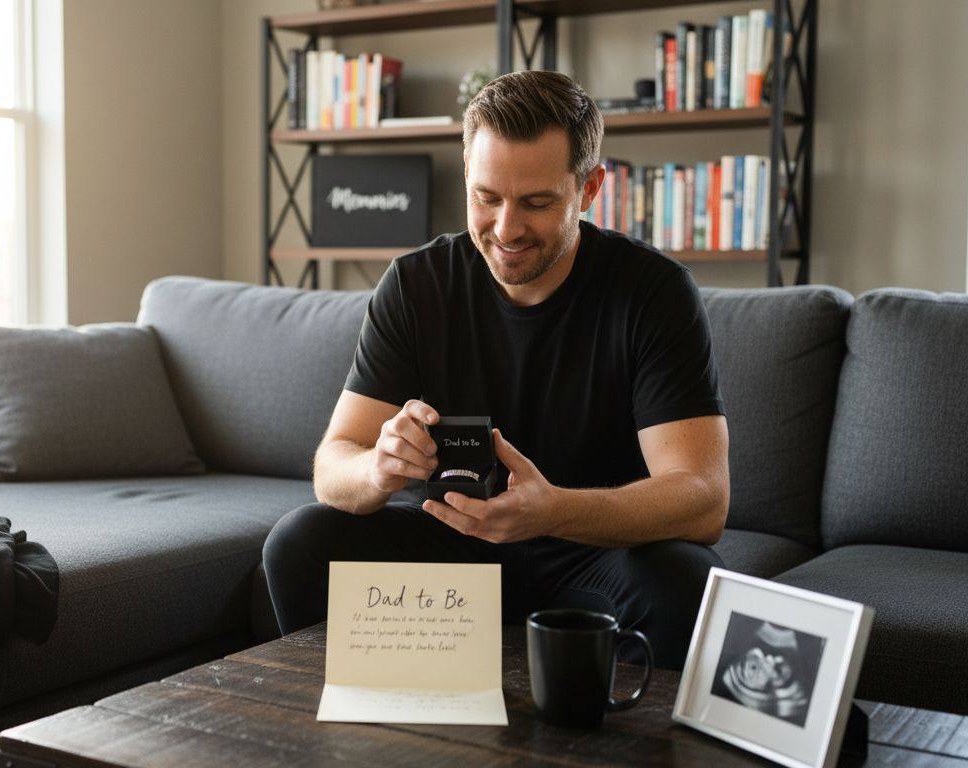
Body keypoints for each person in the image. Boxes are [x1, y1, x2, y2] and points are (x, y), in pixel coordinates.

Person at [262, 70, 729, 670]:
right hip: (451, 543)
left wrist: (554, 509)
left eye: (536, 202)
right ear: (466, 181)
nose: (506, 229)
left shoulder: (653, 292)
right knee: (301, 543)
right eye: (487, 198)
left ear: (589, 189)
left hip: (591, 548)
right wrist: (378, 467)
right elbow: (334, 467)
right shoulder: (415, 284)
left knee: (690, 584)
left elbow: (703, 499)